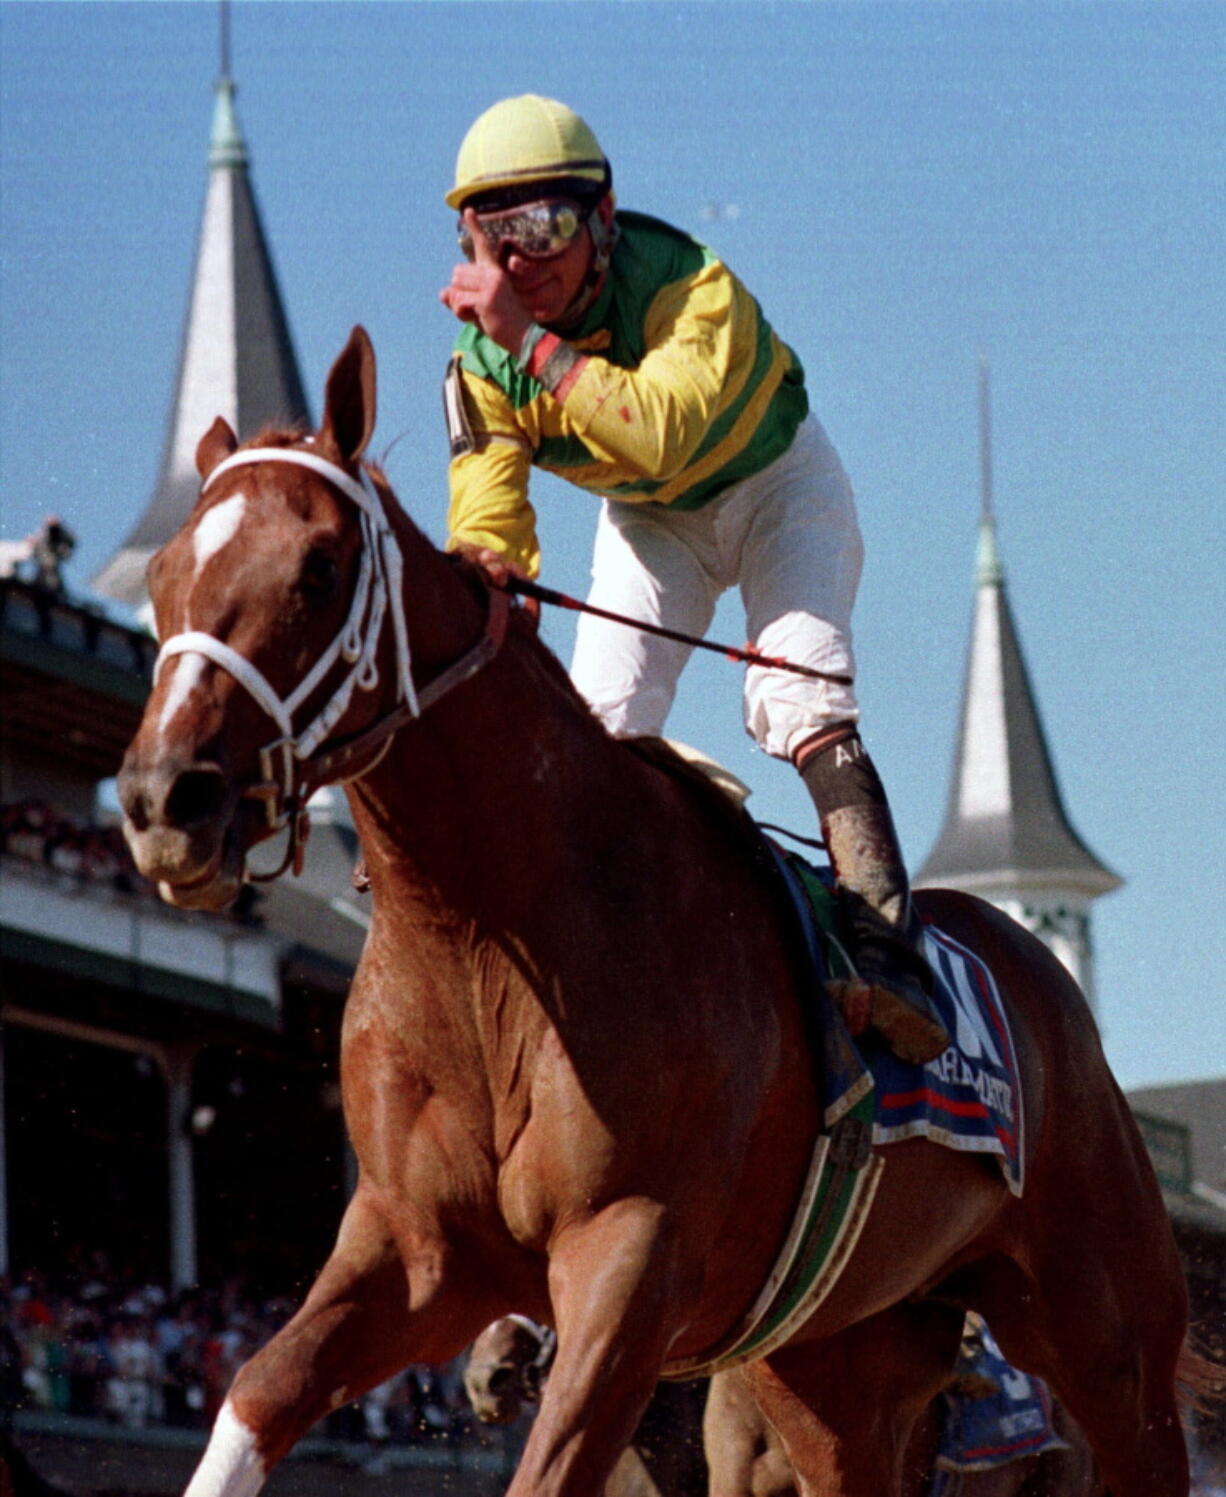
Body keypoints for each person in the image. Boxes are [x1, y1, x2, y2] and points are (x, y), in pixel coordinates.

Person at [439, 94, 947, 1064]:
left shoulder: (686, 281)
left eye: (541, 228)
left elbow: (657, 428)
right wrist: (487, 570)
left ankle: (885, 941)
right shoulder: (478, 364)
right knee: (600, 726)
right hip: (649, 519)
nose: (519, 266)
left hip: (775, 486)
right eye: (488, 237)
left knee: (796, 687)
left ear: (601, 218)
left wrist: (529, 346)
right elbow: (489, 522)